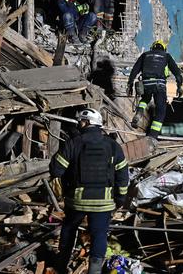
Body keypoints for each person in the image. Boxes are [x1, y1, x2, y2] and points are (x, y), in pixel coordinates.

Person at [49, 108, 129, 274]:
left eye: (81, 122)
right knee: (99, 234)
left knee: (69, 230)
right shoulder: (113, 146)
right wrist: (121, 198)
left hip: (77, 201)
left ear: (86, 122)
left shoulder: (74, 143)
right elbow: (122, 175)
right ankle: (94, 271)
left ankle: (61, 266)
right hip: (103, 202)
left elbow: (56, 170)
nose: (79, 124)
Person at [127, 40, 183, 139]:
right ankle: (153, 136)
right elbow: (177, 72)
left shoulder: (145, 55)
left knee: (145, 98)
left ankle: (139, 112)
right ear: (163, 48)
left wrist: (130, 84)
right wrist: (179, 86)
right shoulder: (166, 56)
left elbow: (134, 70)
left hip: (146, 83)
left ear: (152, 48)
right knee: (161, 111)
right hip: (159, 84)